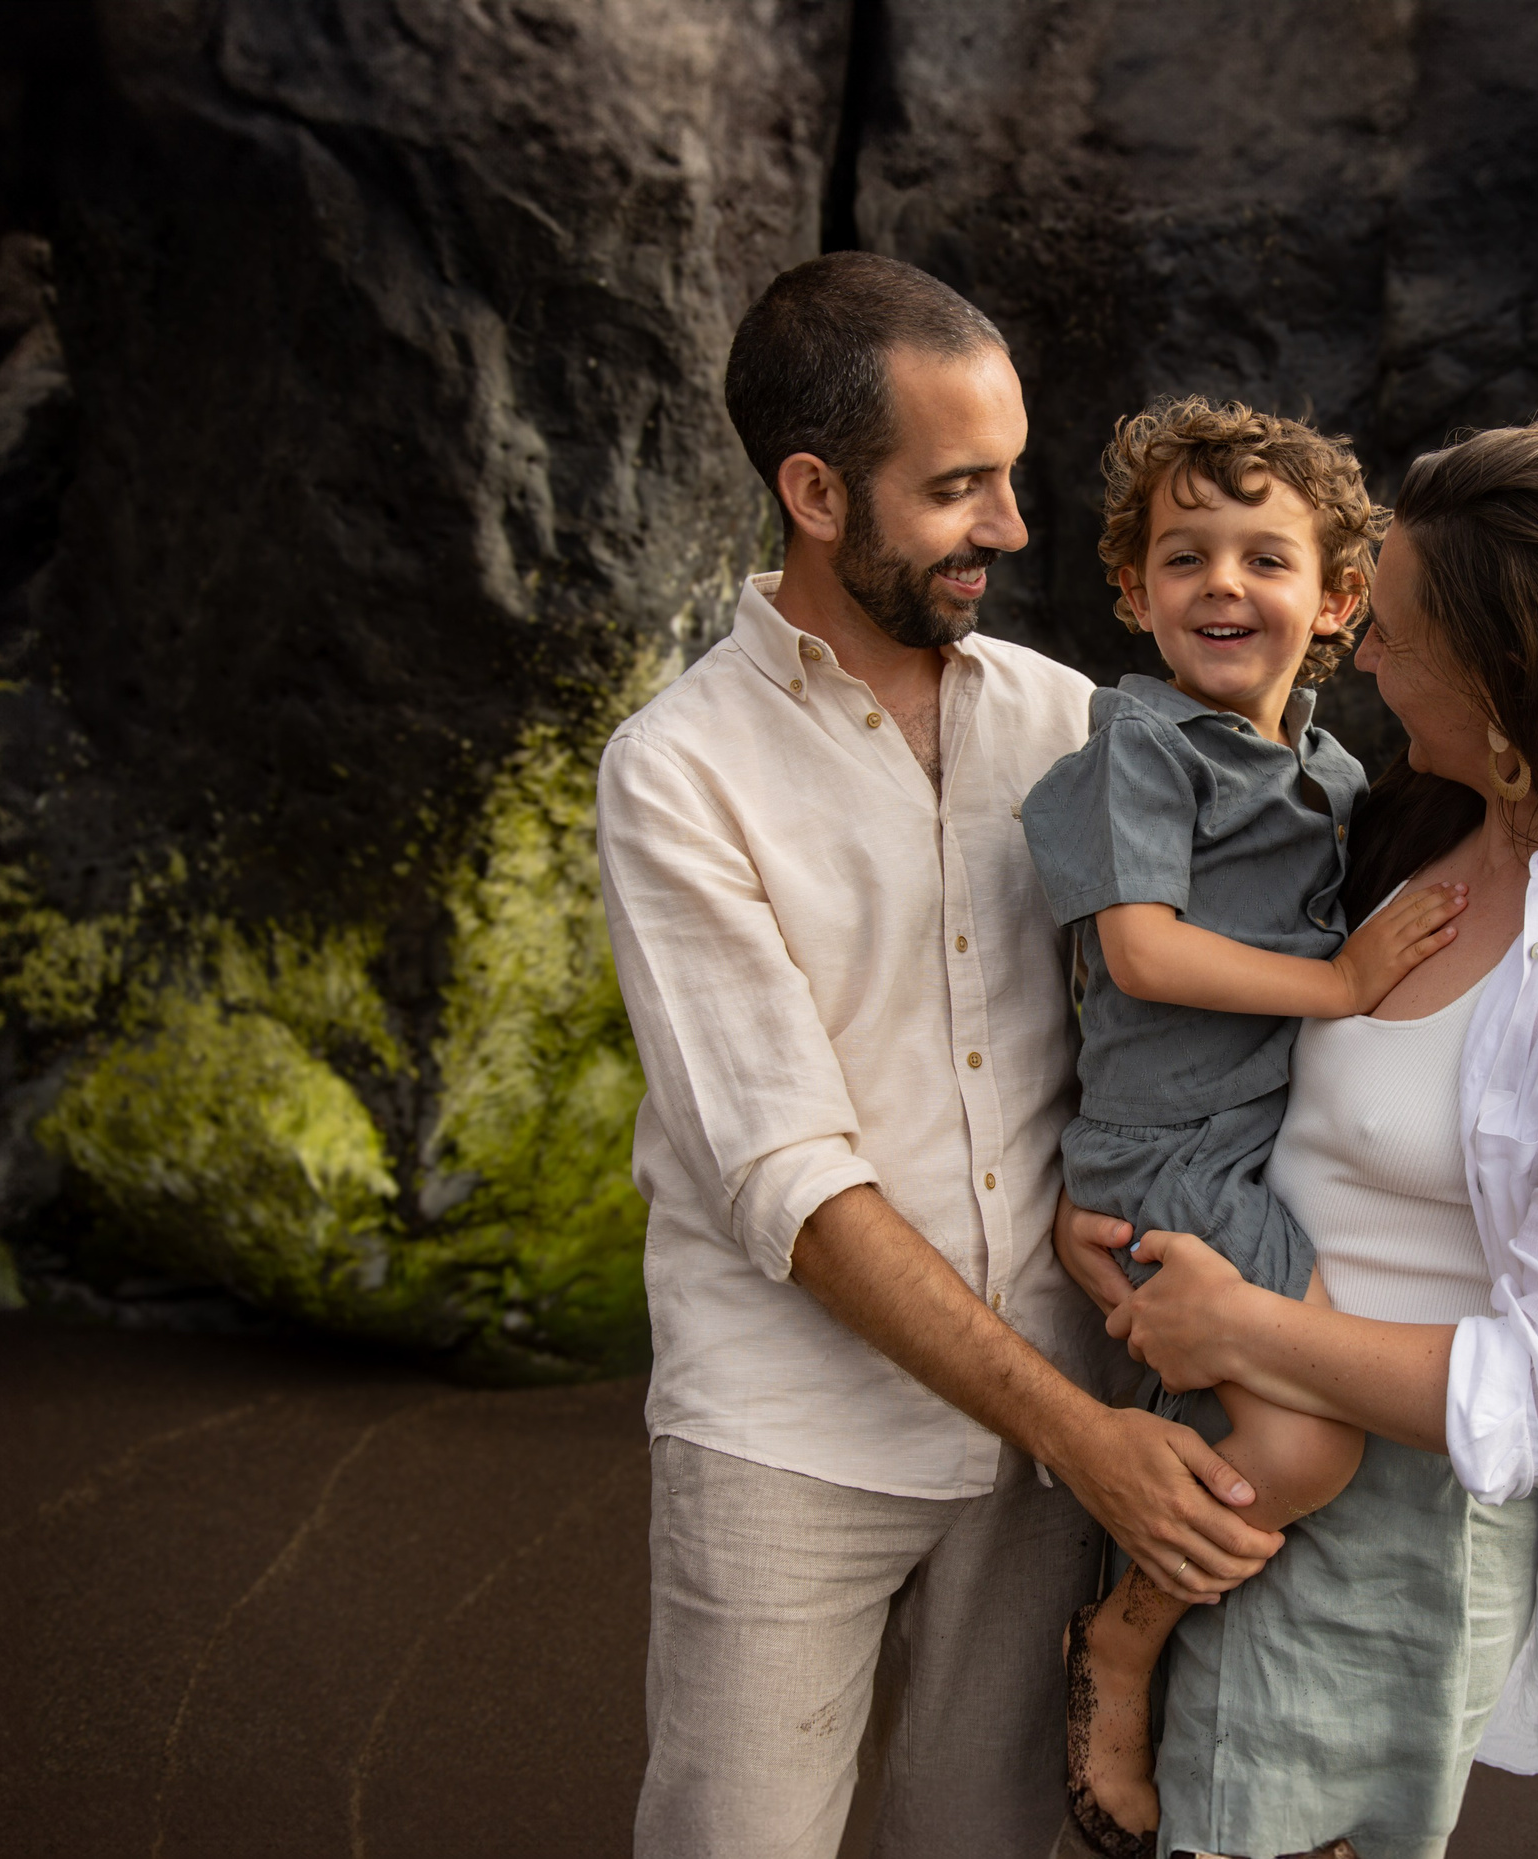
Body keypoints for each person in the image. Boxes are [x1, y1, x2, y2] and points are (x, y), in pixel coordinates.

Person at [596, 252, 1285, 1859]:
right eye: (958, 488)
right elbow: (790, 1182)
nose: (1013, 530)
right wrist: (1085, 1435)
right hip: (790, 1436)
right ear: (818, 490)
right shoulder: (676, 775)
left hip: (1055, 1446)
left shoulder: (1070, 725)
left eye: (1014, 477)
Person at [1057, 421, 1538, 1859]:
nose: (1362, 661)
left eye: (1388, 631)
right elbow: (1233, 1077)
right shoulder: (1394, 834)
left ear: (1502, 674)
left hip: (1391, 1518)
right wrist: (1124, 1248)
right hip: (1222, 1429)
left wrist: (1247, 1331)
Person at [1018, 398, 1468, 1856]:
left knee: (1279, 1438)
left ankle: (1242, 1734)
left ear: (1339, 602)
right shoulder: (1139, 741)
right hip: (1165, 1157)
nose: (1223, 585)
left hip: (1251, 1157)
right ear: (1134, 592)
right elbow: (1140, 951)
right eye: (1184, 556)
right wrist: (1339, 982)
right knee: (1308, 1450)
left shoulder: (1335, 781)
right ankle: (1125, 1640)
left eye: (1265, 559)